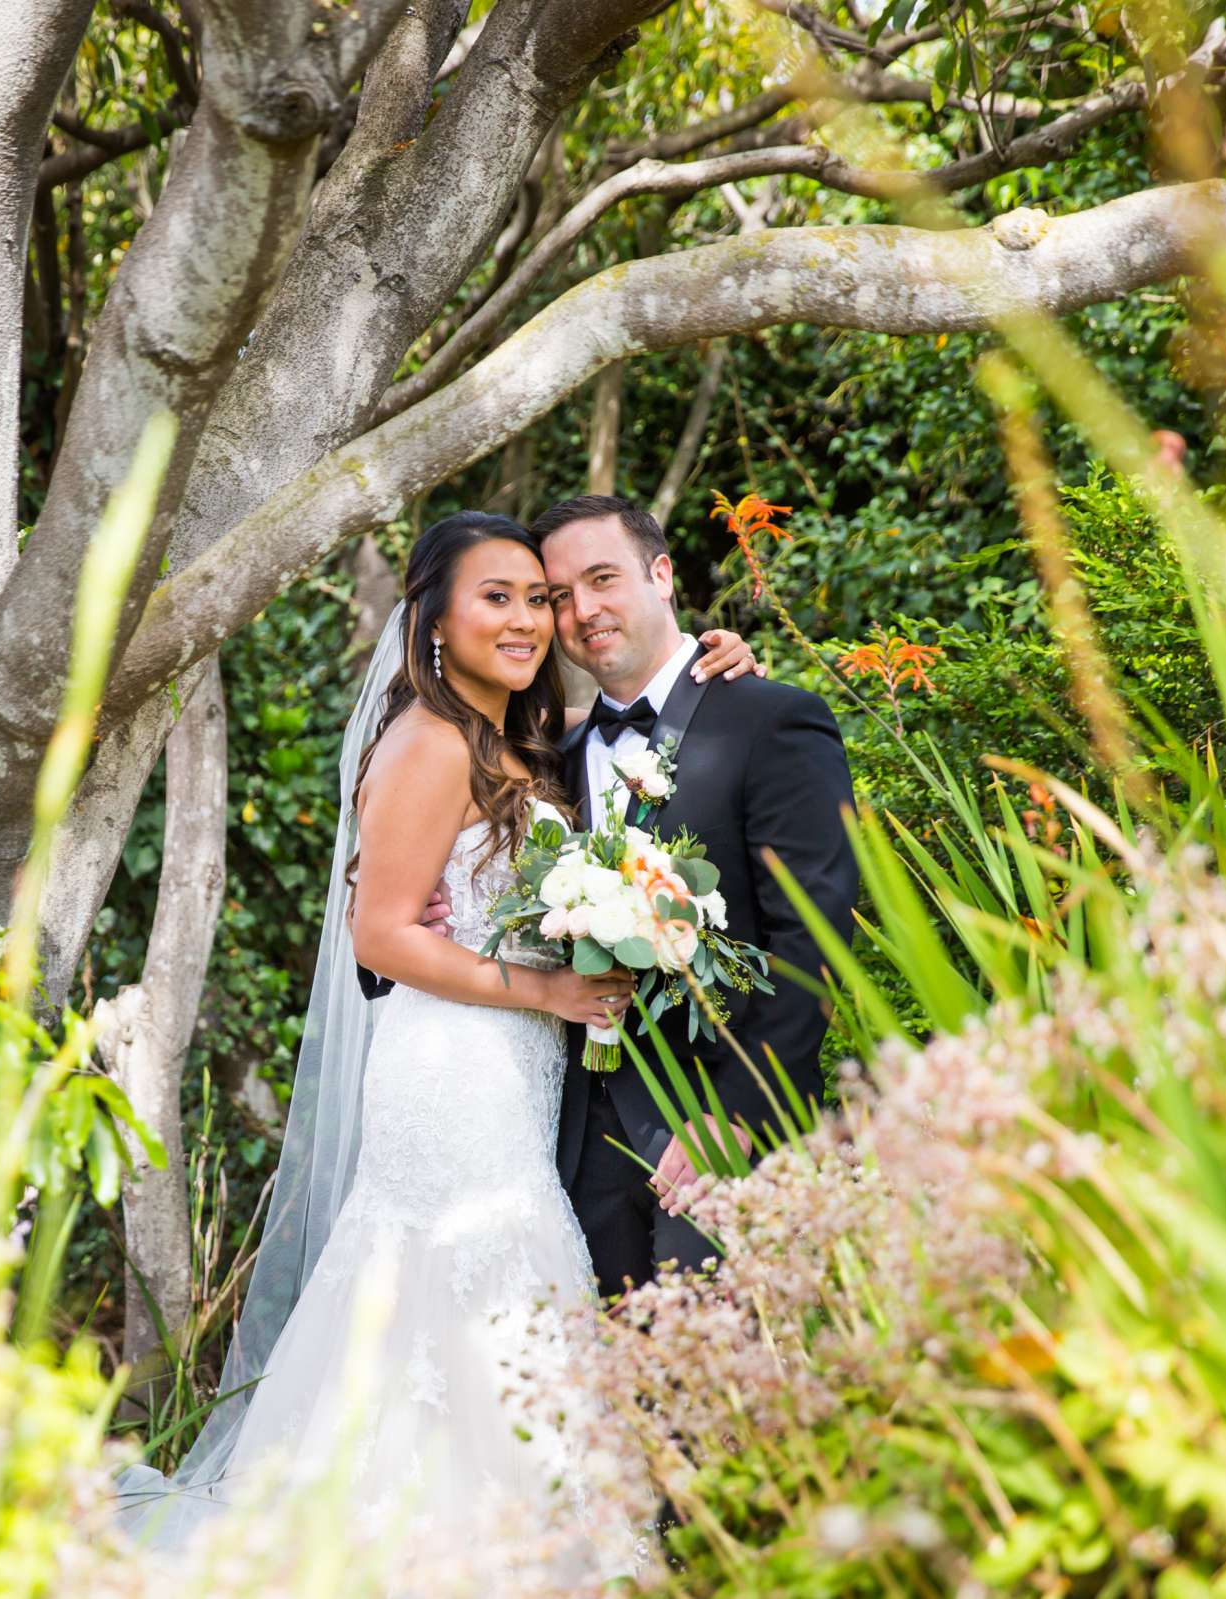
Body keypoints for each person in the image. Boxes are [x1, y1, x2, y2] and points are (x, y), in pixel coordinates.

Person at [115, 510, 763, 1574]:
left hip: (510, 1067)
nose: (526, 620)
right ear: (433, 620)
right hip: (452, 1067)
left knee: (503, 1270)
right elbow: (381, 933)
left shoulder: (515, 739)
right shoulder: (425, 741)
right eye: (495, 598)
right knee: (460, 1266)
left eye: (536, 598)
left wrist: (720, 657)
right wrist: (545, 990)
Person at [530, 494, 859, 1299]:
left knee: (725, 1401)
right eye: (560, 595)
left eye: (602, 578)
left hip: (721, 1131)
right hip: (578, 1152)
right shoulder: (550, 759)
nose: (584, 610)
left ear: (663, 574)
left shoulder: (771, 718)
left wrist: (737, 1113)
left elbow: (815, 933)